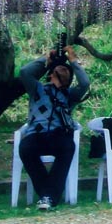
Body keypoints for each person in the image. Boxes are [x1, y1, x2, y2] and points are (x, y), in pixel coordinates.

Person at [18, 44, 90, 210]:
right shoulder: (37, 89)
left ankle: (48, 196)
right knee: (25, 148)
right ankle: (48, 194)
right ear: (51, 74)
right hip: (37, 134)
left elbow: (85, 83)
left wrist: (73, 61)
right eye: (61, 68)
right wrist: (46, 58)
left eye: (67, 71)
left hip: (58, 135)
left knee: (68, 146)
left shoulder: (69, 95)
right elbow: (24, 72)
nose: (65, 71)